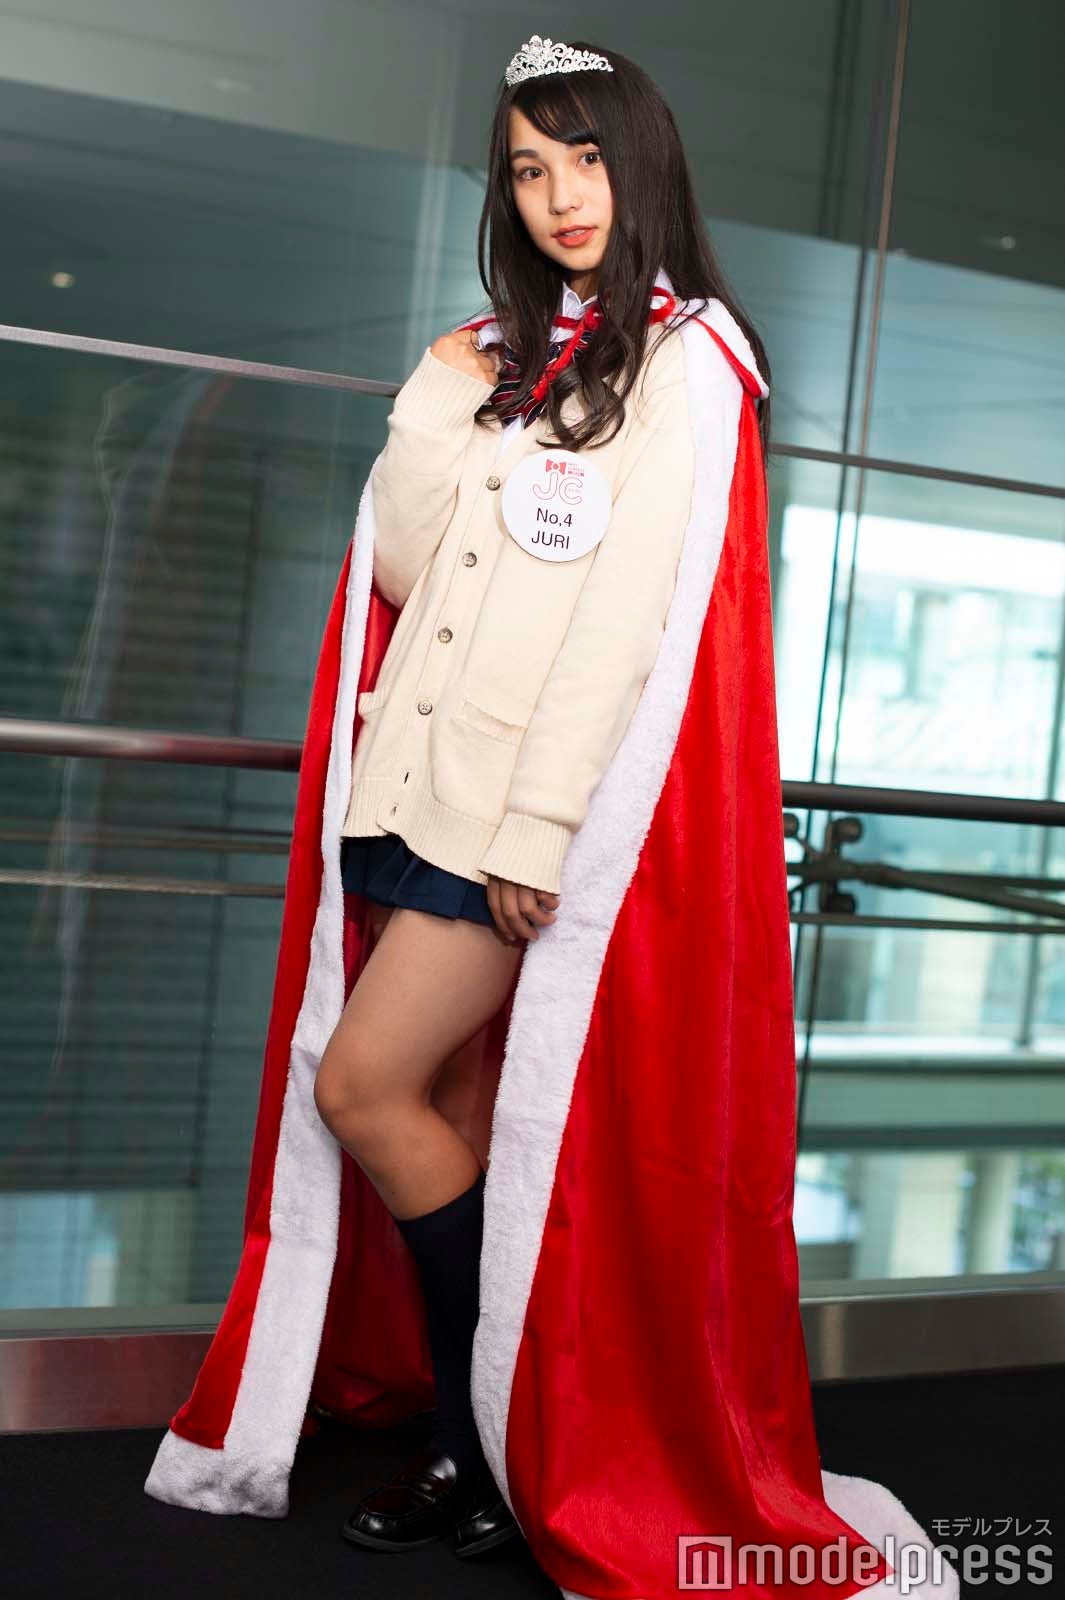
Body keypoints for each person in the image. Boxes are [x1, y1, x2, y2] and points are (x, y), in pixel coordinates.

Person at [145, 32, 958, 1600]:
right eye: (527, 169)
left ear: (639, 162)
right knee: (443, 1115)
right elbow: (404, 572)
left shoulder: (688, 360)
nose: (559, 194)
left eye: (584, 158)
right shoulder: (505, 357)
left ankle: (489, 1438)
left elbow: (634, 628)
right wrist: (433, 404)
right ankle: (490, 1441)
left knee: (363, 1086)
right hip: (409, 785)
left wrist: (536, 838)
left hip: (505, 818)